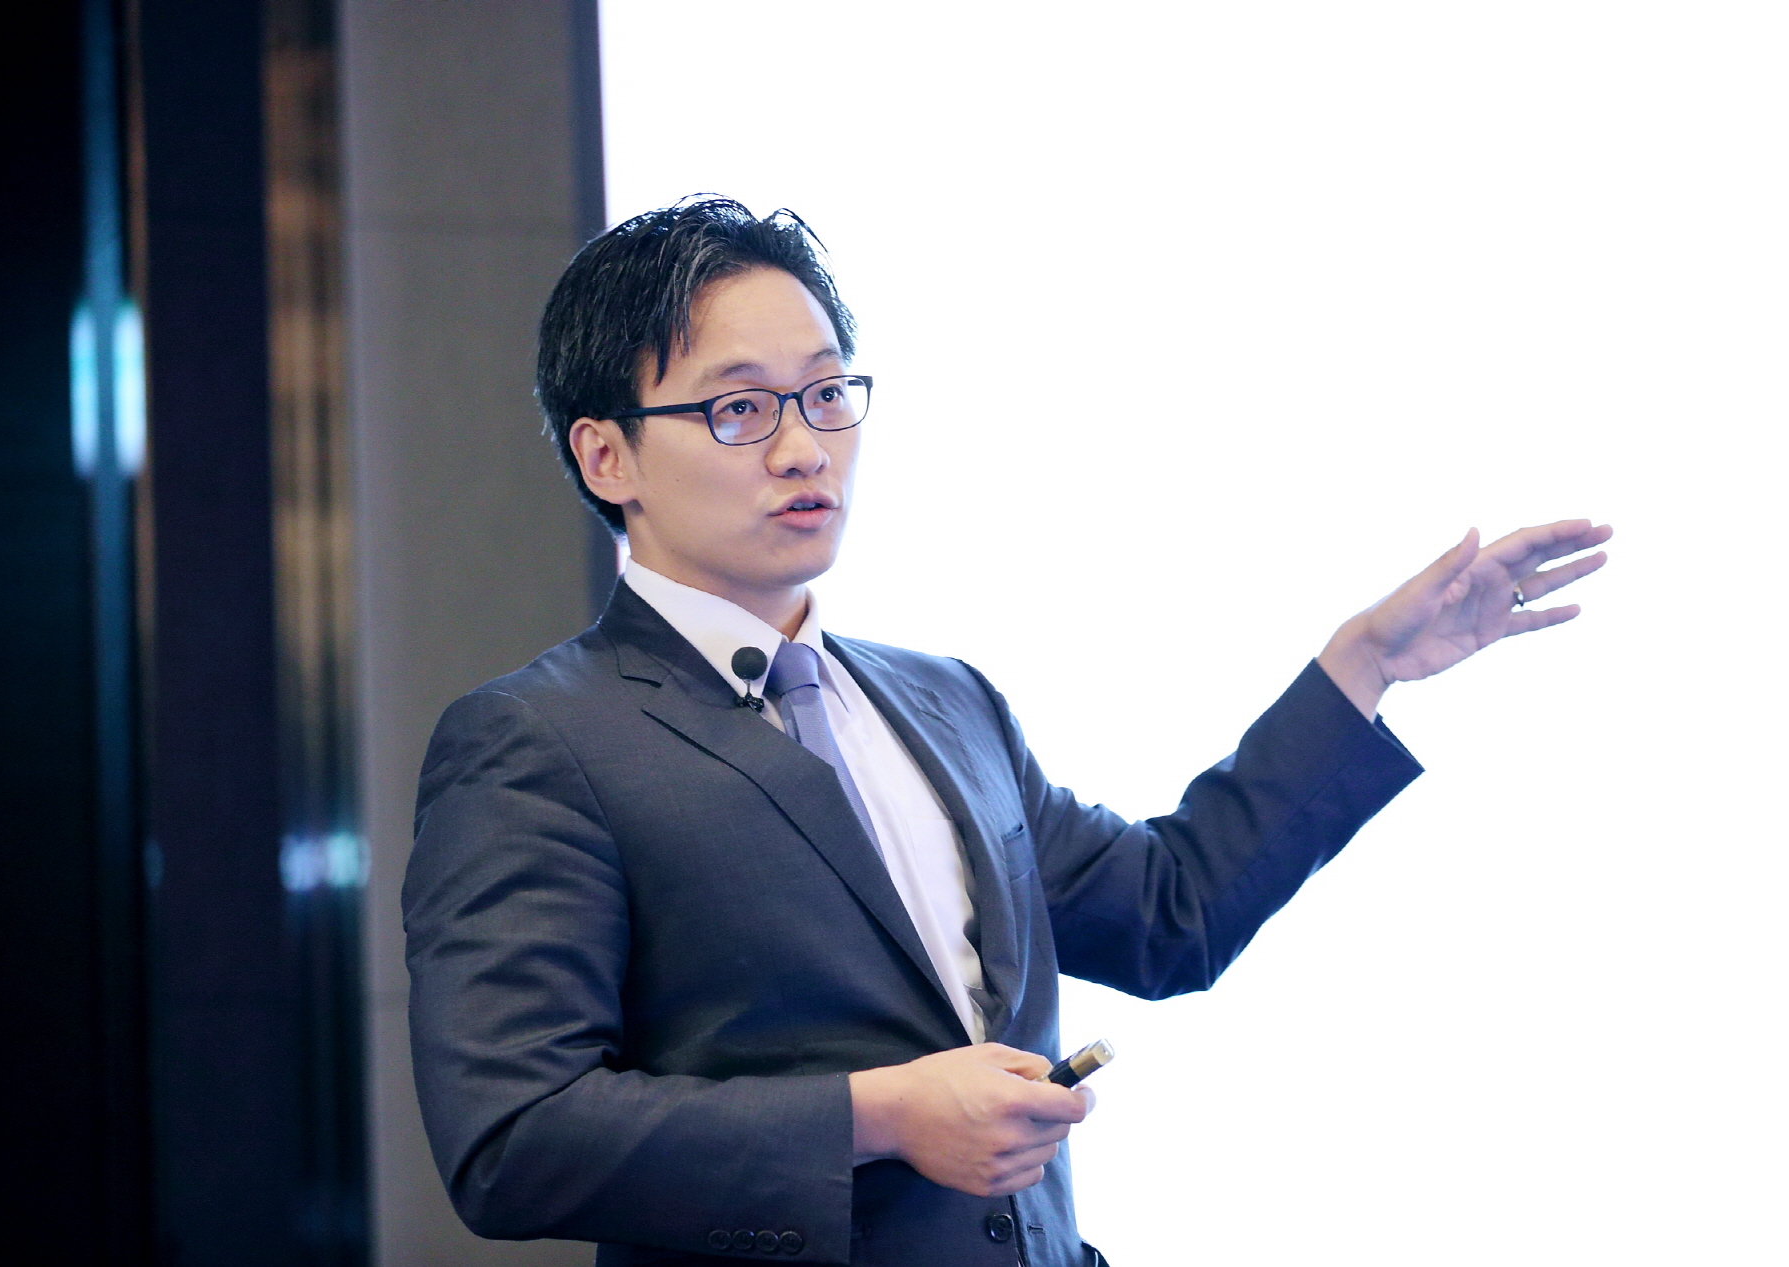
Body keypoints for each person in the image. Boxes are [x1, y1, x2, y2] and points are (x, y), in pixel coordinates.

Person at [403, 198, 1610, 1267]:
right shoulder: (536, 740)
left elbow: (1168, 913)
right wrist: (879, 1114)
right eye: (738, 408)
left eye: (825, 393)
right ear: (605, 453)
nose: (803, 446)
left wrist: (1366, 666)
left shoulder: (944, 700)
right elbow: (513, 1138)